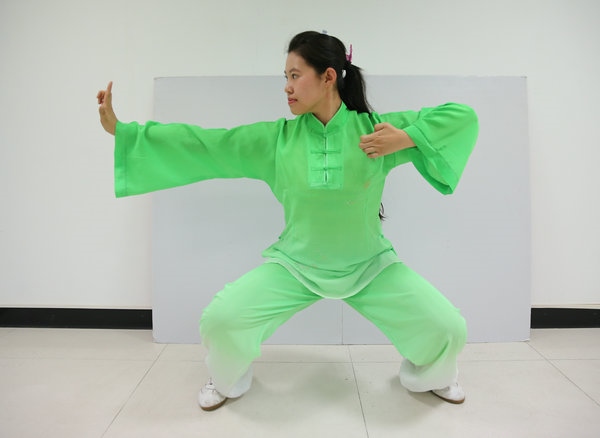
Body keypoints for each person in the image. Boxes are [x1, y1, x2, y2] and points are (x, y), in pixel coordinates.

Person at [97, 30, 479, 411]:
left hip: (370, 265)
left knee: (449, 328)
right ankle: (228, 379)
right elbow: (207, 144)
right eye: (286, 77)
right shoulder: (277, 140)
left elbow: (463, 117)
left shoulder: (375, 131)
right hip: (296, 265)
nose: (287, 87)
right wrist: (125, 133)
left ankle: (433, 376)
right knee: (220, 321)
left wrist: (406, 138)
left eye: (295, 75)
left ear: (328, 77)